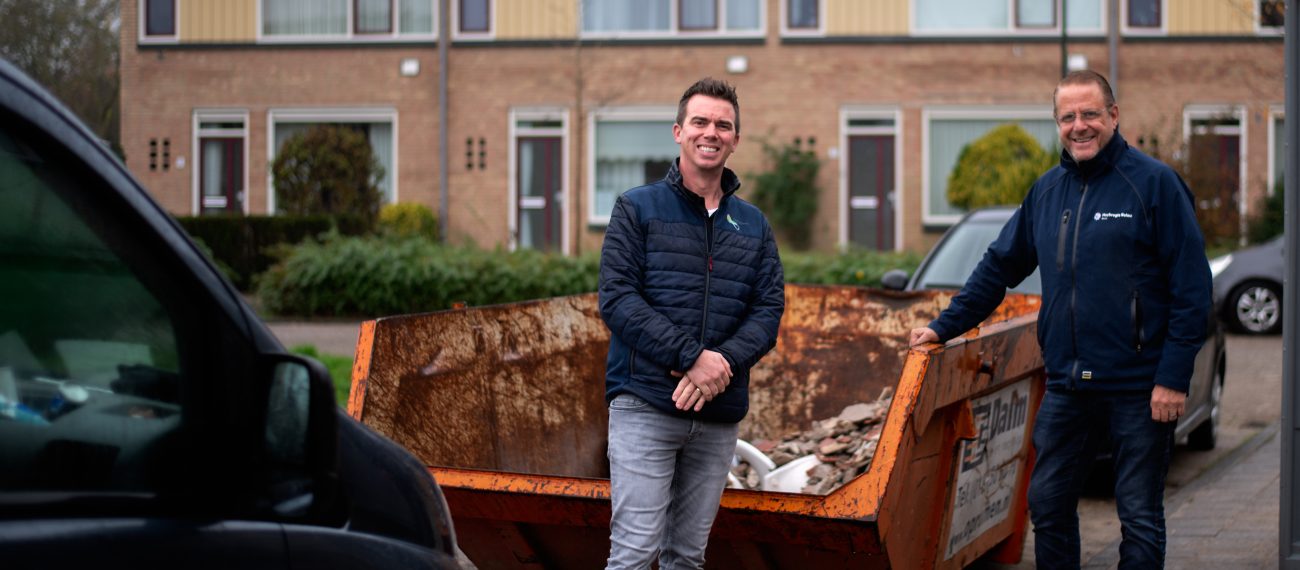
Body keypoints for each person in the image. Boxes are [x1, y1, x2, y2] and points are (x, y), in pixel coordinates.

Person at [909, 70, 1211, 568]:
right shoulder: (1047, 192)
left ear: (1113, 116)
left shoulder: (1154, 185)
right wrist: (944, 327)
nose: (1079, 126)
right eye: (1068, 117)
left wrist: (1173, 379)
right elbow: (998, 268)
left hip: (1138, 388)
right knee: (1047, 502)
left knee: (1138, 515)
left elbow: (1192, 289)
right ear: (1058, 124)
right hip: (1069, 385)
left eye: (1090, 113)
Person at [598, 77, 785, 569]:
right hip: (645, 407)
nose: (712, 132)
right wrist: (692, 358)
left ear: (736, 140)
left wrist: (719, 364)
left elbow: (767, 313)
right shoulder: (637, 208)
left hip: (717, 417)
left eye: (724, 125)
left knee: (686, 558)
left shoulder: (754, 225)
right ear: (679, 131)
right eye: (700, 121)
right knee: (635, 555)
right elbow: (617, 300)